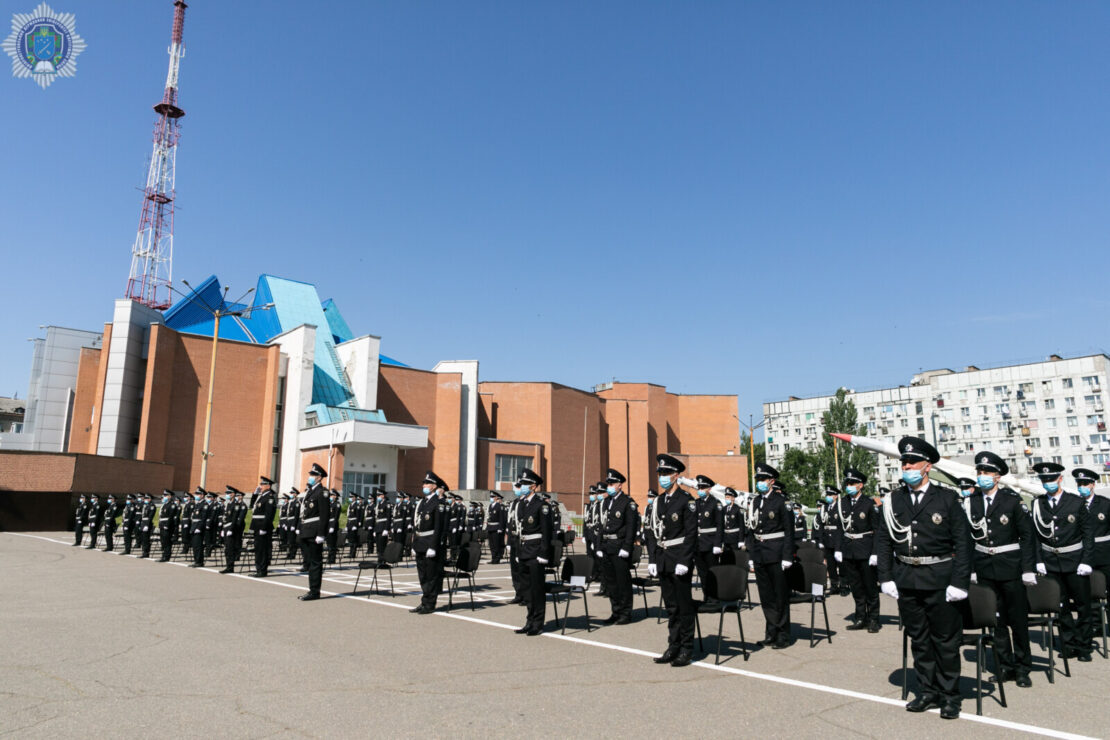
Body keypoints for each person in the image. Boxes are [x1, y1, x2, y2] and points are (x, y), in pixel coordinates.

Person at [876, 436, 972, 720]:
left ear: (927, 466)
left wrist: (960, 582)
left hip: (941, 580)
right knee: (919, 639)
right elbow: (883, 540)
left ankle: (951, 695)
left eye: (912, 462)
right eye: (904, 462)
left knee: (945, 641)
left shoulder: (947, 498)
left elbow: (963, 543)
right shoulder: (894, 499)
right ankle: (928, 692)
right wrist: (886, 576)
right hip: (907, 578)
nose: (907, 466)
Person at [965, 451, 1037, 687]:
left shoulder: (1011, 500)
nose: (982, 476)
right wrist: (972, 568)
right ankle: (1005, 666)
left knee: (1017, 619)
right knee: (996, 621)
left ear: (997, 477)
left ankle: (1023, 667)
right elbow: (968, 539)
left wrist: (1028, 568)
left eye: (987, 472)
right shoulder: (971, 502)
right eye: (980, 472)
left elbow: (1027, 536)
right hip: (985, 567)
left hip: (1011, 567)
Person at [1030, 462, 1095, 662]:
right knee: (1061, 606)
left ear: (1059, 479)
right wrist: (1039, 560)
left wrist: (1086, 561)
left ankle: (1084, 645)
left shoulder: (1075, 502)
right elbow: (1034, 536)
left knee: (1083, 605)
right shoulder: (1037, 503)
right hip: (1051, 561)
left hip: (1075, 561)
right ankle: (1069, 644)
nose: (1047, 483)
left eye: (1051, 479)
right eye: (1044, 480)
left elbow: (1088, 535)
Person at [648, 454, 697, 666]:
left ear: (676, 476)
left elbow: (691, 533)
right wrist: (652, 558)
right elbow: (651, 531)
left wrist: (684, 561)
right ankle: (673, 645)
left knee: (684, 606)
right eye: (660, 473)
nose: (662, 477)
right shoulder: (658, 502)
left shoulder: (687, 501)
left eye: (666, 474)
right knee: (671, 607)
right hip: (663, 559)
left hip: (679, 560)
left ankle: (686, 648)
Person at [746, 462, 796, 650]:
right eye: (758, 479)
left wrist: (787, 556)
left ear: (771, 481)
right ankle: (771, 632)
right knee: (766, 596)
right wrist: (751, 555)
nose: (759, 482)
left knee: (780, 596)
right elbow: (750, 530)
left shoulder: (781, 502)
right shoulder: (755, 502)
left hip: (777, 553)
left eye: (763, 479)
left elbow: (789, 531)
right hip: (759, 553)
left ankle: (783, 634)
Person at [835, 468, 881, 633]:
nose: (849, 486)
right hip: (849, 550)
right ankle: (861, 617)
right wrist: (838, 549)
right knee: (856, 586)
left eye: (852, 483)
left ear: (860, 485)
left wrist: (875, 553)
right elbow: (840, 528)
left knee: (870, 587)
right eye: (847, 483)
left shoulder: (869, 504)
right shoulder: (842, 503)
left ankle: (874, 619)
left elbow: (877, 531)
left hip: (866, 550)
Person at [512, 468, 552, 635]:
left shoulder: (541, 506)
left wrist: (544, 553)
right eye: (521, 484)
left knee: (536, 590)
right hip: (523, 551)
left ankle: (538, 623)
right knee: (527, 590)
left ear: (534, 486)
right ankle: (529, 621)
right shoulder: (521, 503)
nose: (522, 486)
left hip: (536, 552)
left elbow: (547, 531)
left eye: (526, 484)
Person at [598, 468, 637, 625]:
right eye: (608, 483)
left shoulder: (628, 503)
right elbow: (602, 525)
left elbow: (631, 527)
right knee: (611, 582)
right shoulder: (606, 502)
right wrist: (599, 546)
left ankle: (625, 613)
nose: (609, 486)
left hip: (619, 546)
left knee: (623, 582)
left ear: (620, 485)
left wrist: (627, 547)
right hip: (607, 546)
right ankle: (615, 611)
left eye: (612, 483)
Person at [410, 471, 448, 614]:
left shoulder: (437, 502)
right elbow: (417, 524)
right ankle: (424, 601)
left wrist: (433, 546)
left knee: (431, 576)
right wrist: (414, 544)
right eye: (424, 483)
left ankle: (430, 603)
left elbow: (438, 527)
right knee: (423, 576)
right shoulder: (423, 502)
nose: (424, 486)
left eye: (427, 483)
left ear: (434, 486)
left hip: (430, 543)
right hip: (420, 542)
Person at [1077, 468, 1110, 618]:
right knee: (1089, 590)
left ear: (1092, 485)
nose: (1082, 486)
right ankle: (1095, 623)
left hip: (1104, 553)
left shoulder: (1105, 504)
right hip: (1084, 554)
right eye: (1079, 483)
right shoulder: (1075, 504)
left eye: (1085, 483)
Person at [297, 463, 330, 601]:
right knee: (310, 562)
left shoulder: (322, 492)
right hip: (306, 531)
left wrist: (321, 534)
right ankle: (311, 589)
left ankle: (314, 591)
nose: (310, 477)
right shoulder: (310, 491)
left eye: (313, 475)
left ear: (319, 477)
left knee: (315, 562)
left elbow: (325, 515)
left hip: (315, 532)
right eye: (310, 474)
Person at [692, 475, 723, 605]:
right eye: (699, 487)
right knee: (702, 572)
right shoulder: (696, 503)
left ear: (709, 489)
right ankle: (707, 597)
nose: (700, 489)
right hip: (698, 544)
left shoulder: (715, 504)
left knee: (712, 572)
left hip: (710, 543)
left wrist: (717, 543)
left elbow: (720, 525)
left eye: (703, 487)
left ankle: (715, 598)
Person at [813, 486, 844, 594]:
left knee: (841, 565)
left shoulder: (840, 508)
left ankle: (844, 586)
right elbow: (821, 526)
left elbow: (841, 527)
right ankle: (835, 586)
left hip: (837, 540)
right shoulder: (824, 508)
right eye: (827, 495)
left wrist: (839, 545)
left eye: (830, 495)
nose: (828, 497)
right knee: (831, 565)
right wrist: (820, 540)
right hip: (827, 540)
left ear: (836, 496)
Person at [250, 476, 277, 577]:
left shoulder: (269, 497)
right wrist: (254, 494)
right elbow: (252, 506)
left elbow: (269, 515)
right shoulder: (261, 496)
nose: (260, 486)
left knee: (262, 549)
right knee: (258, 549)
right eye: (261, 484)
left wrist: (264, 528)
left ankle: (262, 570)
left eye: (262, 484)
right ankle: (258, 569)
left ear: (268, 486)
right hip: (257, 526)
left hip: (263, 527)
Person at [720, 488, 745, 566]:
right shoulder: (723, 509)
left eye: (728, 497)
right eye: (726, 497)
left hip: (735, 538)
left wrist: (741, 540)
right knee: (726, 559)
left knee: (735, 558)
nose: (726, 498)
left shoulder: (738, 509)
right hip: (726, 538)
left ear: (733, 498)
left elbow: (742, 526)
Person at [188, 488, 209, 567]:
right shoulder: (197, 504)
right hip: (194, 526)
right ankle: (196, 560)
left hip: (199, 527)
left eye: (198, 494)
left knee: (198, 545)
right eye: (196, 494)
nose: (196, 496)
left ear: (202, 495)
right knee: (194, 545)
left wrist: (199, 528)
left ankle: (199, 561)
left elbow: (204, 518)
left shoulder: (205, 504)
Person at [158, 489, 180, 562]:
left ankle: (166, 556)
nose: (164, 497)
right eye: (163, 495)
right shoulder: (165, 505)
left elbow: (171, 516)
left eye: (165, 495)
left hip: (167, 525)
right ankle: (164, 555)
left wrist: (167, 525)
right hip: (162, 525)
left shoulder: (172, 505)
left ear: (170, 496)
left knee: (167, 541)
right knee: (163, 541)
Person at [486, 492, 507, 564]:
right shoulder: (490, 506)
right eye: (490, 497)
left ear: (496, 498)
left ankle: (497, 558)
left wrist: (500, 528)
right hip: (490, 527)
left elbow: (501, 518)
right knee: (491, 544)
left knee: (496, 544)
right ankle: (493, 558)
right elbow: (488, 517)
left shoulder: (499, 506)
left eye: (492, 497)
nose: (491, 498)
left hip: (496, 527)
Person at [138, 493, 157, 558]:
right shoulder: (145, 506)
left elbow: (150, 516)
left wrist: (147, 525)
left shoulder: (152, 506)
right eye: (145, 498)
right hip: (143, 523)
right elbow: (142, 515)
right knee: (143, 539)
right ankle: (144, 551)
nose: (145, 499)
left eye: (146, 498)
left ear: (150, 499)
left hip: (147, 524)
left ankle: (146, 553)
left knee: (146, 539)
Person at [325, 489, 341, 565]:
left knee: (332, 543)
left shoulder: (337, 504)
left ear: (336, 496)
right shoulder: (329, 504)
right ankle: (329, 557)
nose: (331, 496)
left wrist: (332, 526)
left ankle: (332, 558)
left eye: (332, 495)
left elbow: (336, 517)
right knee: (328, 543)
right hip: (328, 524)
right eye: (330, 495)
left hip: (333, 525)